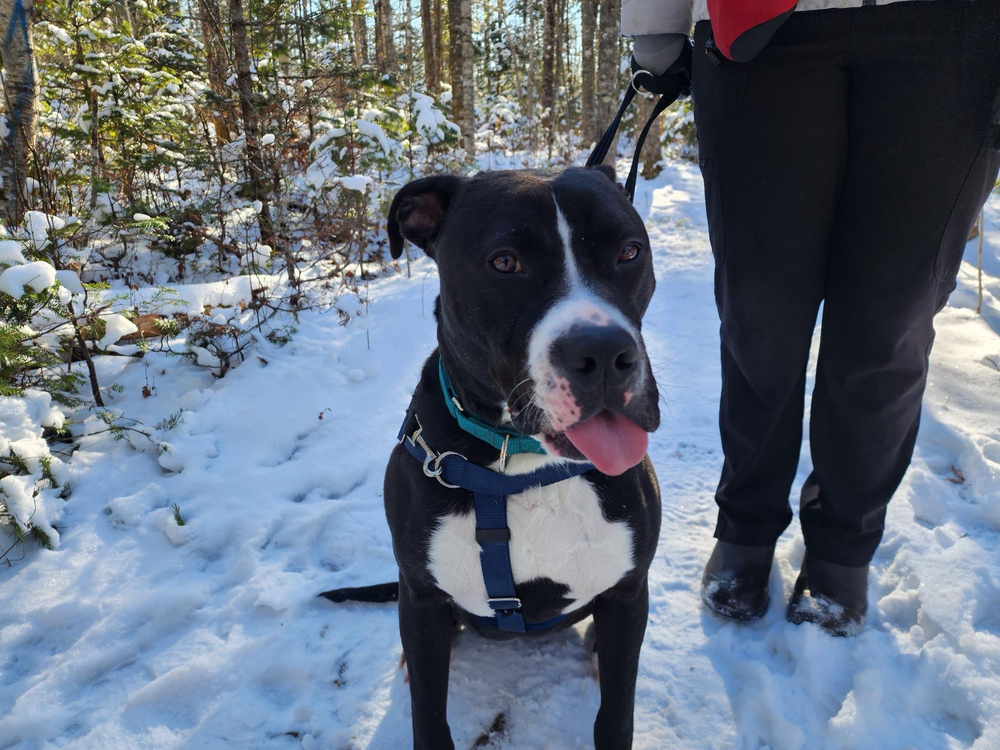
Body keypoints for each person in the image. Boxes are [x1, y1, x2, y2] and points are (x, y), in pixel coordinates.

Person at [622, 0, 1000, 635]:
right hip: (761, 29)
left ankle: (843, 543)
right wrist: (655, 21)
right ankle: (745, 520)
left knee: (890, 321)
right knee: (758, 310)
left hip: (957, 33)